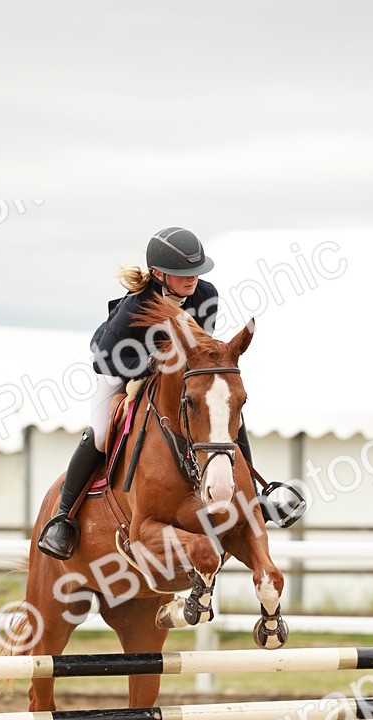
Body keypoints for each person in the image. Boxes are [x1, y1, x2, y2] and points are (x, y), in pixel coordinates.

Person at [38, 225, 260, 560]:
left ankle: (254, 494)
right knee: (99, 434)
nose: (192, 280)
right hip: (121, 369)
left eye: (196, 272)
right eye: (182, 274)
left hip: (177, 377)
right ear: (158, 274)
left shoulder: (206, 295)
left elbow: (200, 349)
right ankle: (63, 517)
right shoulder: (133, 308)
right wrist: (154, 364)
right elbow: (104, 358)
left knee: (220, 409)